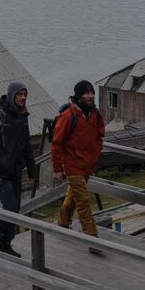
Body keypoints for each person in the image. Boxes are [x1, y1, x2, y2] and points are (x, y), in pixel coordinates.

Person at [0, 80, 39, 257]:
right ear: (12, 95)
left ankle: (4, 242)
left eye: (24, 94)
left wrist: (32, 168)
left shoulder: (22, 116)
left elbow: (26, 145)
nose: (22, 98)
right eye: (19, 94)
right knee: (11, 207)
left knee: (15, 209)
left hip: (15, 171)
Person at [53, 80, 106, 242]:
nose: (90, 96)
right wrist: (57, 169)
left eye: (92, 92)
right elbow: (56, 143)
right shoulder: (68, 116)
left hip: (87, 165)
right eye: (86, 93)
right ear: (78, 95)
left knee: (73, 197)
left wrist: (95, 155)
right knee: (83, 200)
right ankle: (92, 237)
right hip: (72, 165)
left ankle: (62, 222)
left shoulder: (94, 114)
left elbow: (99, 134)